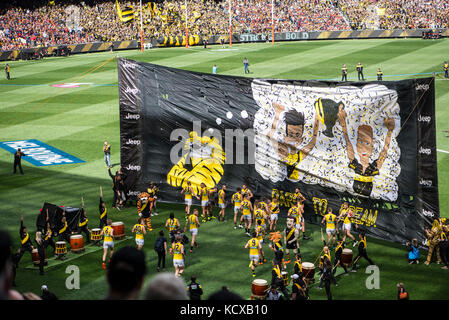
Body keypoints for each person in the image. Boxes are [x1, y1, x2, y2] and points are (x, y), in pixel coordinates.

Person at [338, 107, 395, 197]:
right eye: (360, 142)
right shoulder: (356, 164)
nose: (363, 147)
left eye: (367, 143)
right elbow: (348, 142)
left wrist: (390, 132)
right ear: (356, 144)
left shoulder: (374, 166)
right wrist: (343, 124)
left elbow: (385, 150)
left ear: (372, 147)